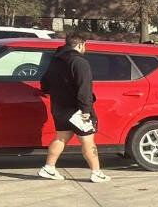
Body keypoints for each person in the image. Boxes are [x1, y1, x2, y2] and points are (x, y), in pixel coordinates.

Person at [38, 32, 108, 182]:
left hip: (59, 107)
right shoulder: (80, 62)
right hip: (77, 110)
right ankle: (96, 172)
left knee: (61, 138)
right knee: (88, 140)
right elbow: (84, 88)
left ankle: (48, 168)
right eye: (85, 45)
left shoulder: (56, 60)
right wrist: (86, 109)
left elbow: (45, 83)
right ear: (80, 45)